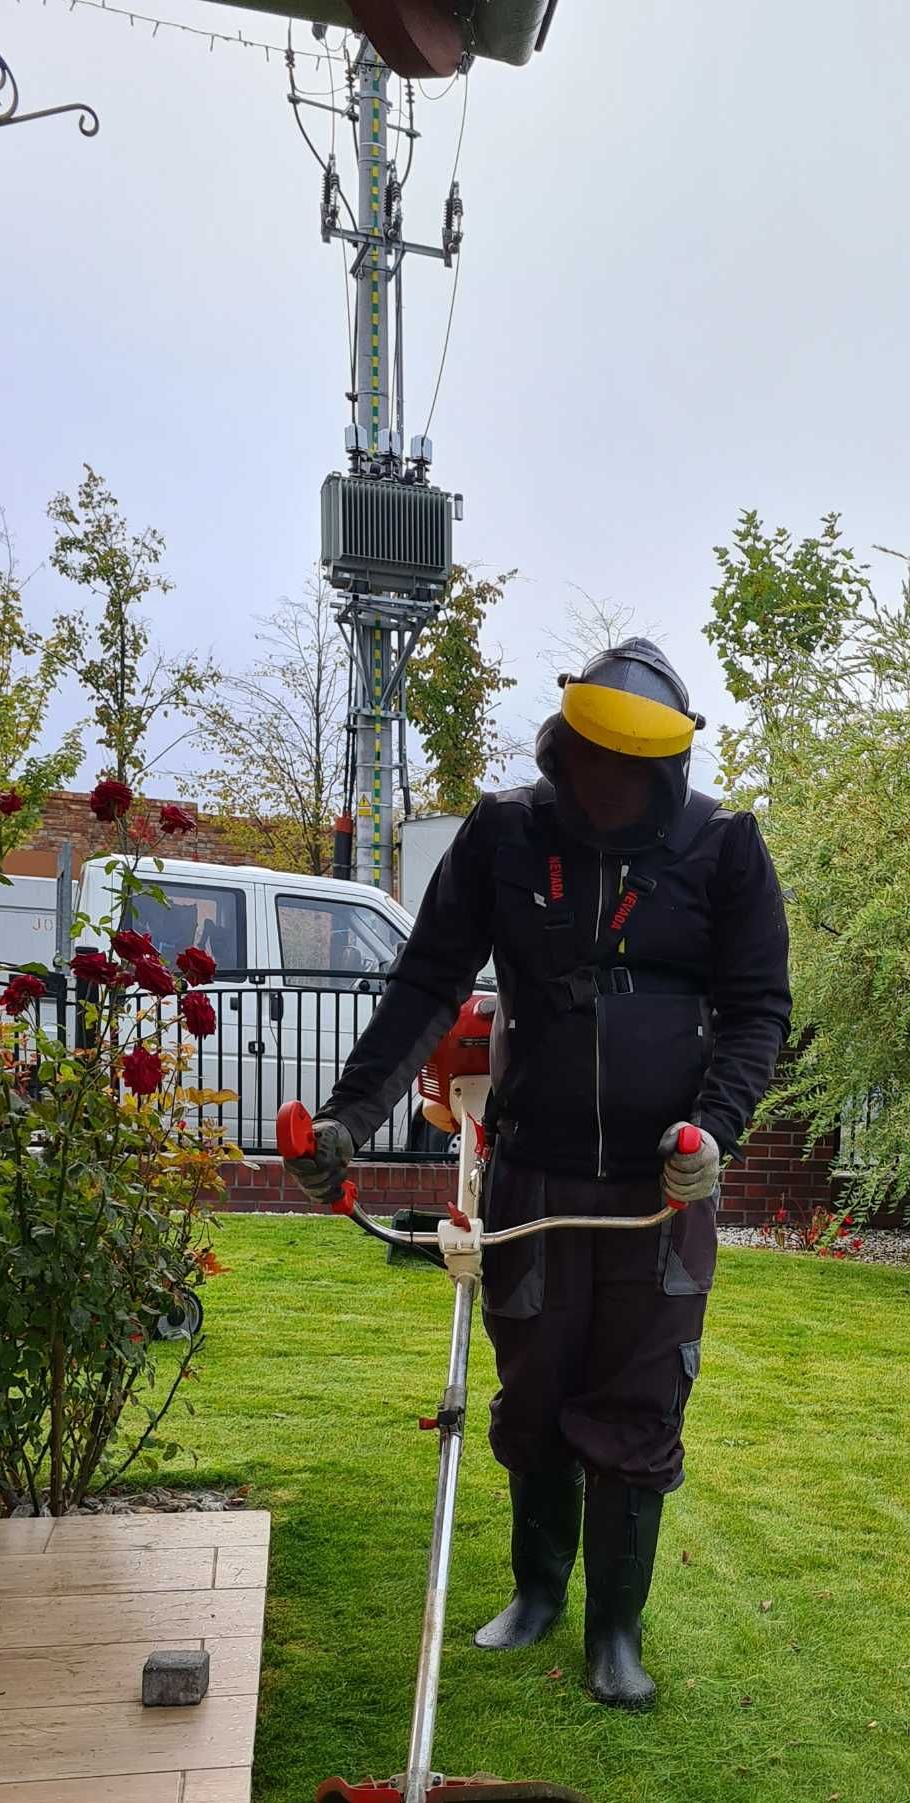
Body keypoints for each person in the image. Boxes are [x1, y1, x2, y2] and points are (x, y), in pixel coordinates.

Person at [286, 641, 791, 1708]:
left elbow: (757, 1014)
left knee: (640, 1400)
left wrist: (712, 1130)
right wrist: (348, 1115)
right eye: (587, 761)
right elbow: (428, 981)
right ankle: (536, 1591)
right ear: (563, 749)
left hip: (661, 1190)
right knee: (535, 1394)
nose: (603, 785)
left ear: (663, 773)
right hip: (534, 1180)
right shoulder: (504, 836)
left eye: (628, 770)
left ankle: (615, 1630)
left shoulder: (725, 850)